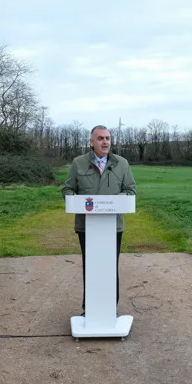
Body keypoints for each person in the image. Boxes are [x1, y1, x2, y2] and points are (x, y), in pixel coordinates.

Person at [61, 125, 136, 314]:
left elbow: (130, 190)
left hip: (113, 227)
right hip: (86, 227)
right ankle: (89, 310)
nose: (105, 142)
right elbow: (68, 189)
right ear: (92, 142)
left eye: (108, 138)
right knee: (91, 267)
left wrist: (116, 201)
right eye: (101, 138)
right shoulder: (79, 163)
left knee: (110, 268)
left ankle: (111, 309)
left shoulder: (122, 164)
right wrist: (73, 200)